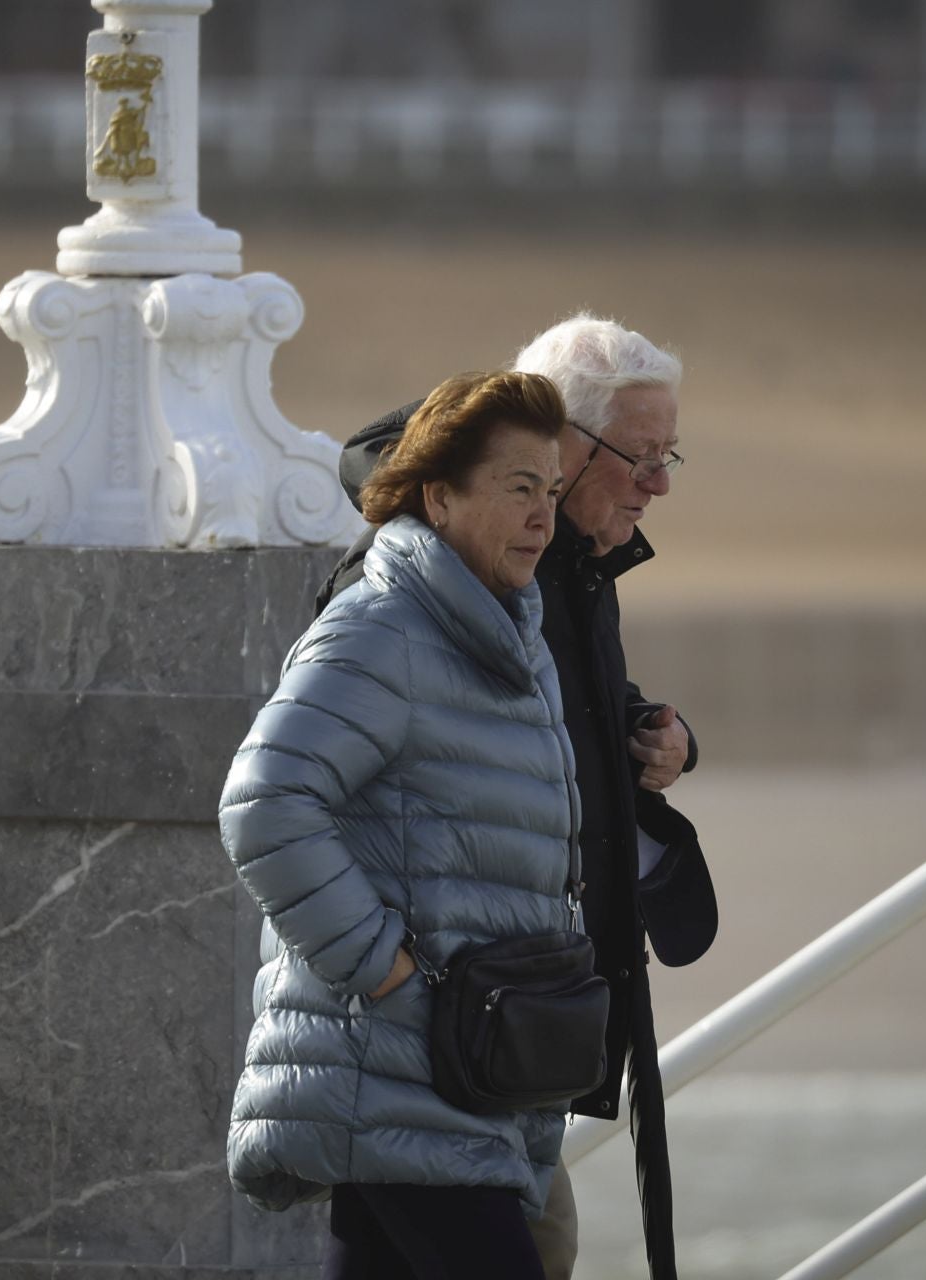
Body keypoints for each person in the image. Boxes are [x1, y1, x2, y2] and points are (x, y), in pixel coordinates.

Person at [316, 314, 716, 1280]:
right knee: (530, 1246)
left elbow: (560, 706)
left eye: (672, 456)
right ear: (562, 446)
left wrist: (659, 736)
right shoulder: (411, 594)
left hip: (500, 1015)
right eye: (642, 456)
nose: (660, 483)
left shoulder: (562, 570)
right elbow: (271, 801)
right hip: (431, 1027)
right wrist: (385, 969)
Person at [222, 369, 578, 1279]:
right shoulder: (384, 627)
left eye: (551, 490)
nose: (543, 517)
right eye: (518, 489)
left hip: (461, 1071)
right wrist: (384, 968)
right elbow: (264, 803)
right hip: (399, 1067)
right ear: (439, 495)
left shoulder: (503, 634)